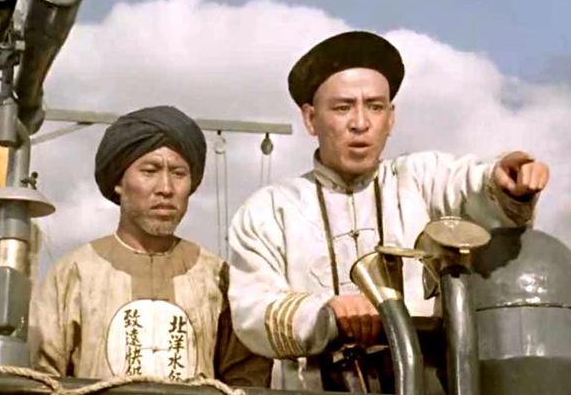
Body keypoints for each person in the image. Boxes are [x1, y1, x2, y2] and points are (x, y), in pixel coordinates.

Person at [227, 31, 550, 391]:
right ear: (310, 118)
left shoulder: (422, 179)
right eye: (342, 107)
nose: (360, 123)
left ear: (391, 118)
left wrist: (505, 183)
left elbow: (470, 184)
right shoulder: (270, 210)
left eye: (375, 107)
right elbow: (251, 312)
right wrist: (325, 312)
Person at [30, 105, 271, 387]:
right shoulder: (73, 274)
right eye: (150, 171)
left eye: (178, 173)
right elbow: (39, 379)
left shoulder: (218, 277)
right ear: (119, 181)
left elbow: (247, 379)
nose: (166, 188)